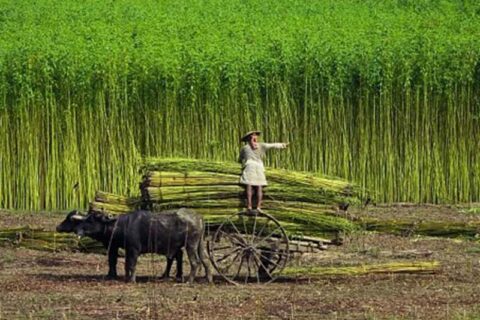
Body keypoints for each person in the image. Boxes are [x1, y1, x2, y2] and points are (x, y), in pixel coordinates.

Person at [238, 130, 288, 212]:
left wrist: (242, 162)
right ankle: (259, 207)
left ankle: (249, 206)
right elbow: (273, 145)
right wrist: (283, 145)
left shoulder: (244, 148)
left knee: (249, 186)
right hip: (259, 167)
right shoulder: (261, 145)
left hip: (250, 167)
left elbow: (240, 160)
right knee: (259, 187)